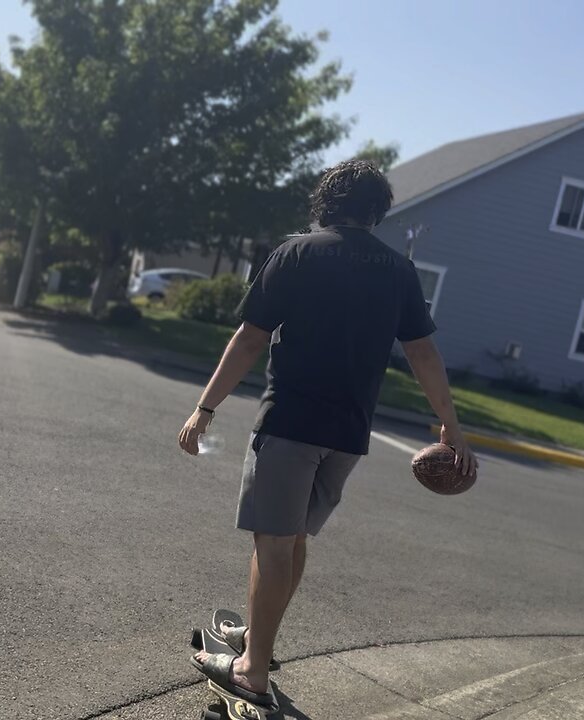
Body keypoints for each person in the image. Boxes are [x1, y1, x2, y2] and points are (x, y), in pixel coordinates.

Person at [179, 159, 477, 707]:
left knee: (271, 544)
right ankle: (256, 638)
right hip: (348, 435)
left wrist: (206, 407)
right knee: (293, 541)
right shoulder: (398, 270)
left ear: (326, 200)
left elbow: (249, 338)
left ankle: (251, 670)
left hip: (290, 423)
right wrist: (450, 427)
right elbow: (423, 352)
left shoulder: (296, 253)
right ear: (377, 210)